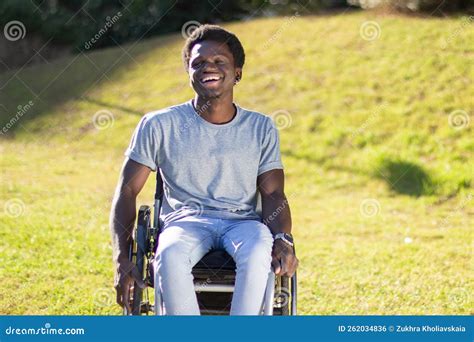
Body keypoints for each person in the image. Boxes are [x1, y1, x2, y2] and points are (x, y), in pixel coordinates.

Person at [109, 24, 298, 315]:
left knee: (260, 247)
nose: (208, 67)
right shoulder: (158, 125)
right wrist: (122, 259)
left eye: (219, 61)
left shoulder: (261, 127)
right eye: (198, 63)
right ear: (189, 73)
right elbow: (127, 190)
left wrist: (283, 239)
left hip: (244, 223)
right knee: (169, 253)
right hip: (185, 222)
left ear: (237, 73)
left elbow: (273, 193)